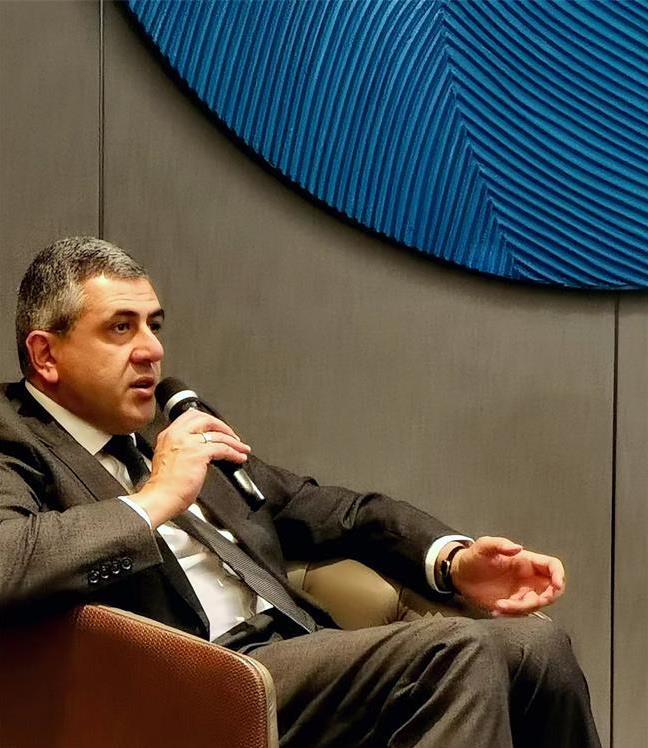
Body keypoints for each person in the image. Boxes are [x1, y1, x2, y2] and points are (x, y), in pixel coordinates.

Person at [0, 236, 600, 748]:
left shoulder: (167, 430)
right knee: (460, 652)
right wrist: (156, 497)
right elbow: (8, 561)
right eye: (120, 327)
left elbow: (334, 512)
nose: (152, 350)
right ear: (46, 355)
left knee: (537, 643)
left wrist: (454, 562)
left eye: (154, 326)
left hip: (295, 653)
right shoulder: (14, 435)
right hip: (187, 687)